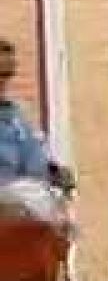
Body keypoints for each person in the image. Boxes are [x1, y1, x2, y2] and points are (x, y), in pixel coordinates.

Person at [0, 40, 51, 186]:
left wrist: (53, 171)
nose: (3, 82)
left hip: (29, 194)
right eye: (1, 74)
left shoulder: (17, 115)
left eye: (8, 74)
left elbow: (36, 161)